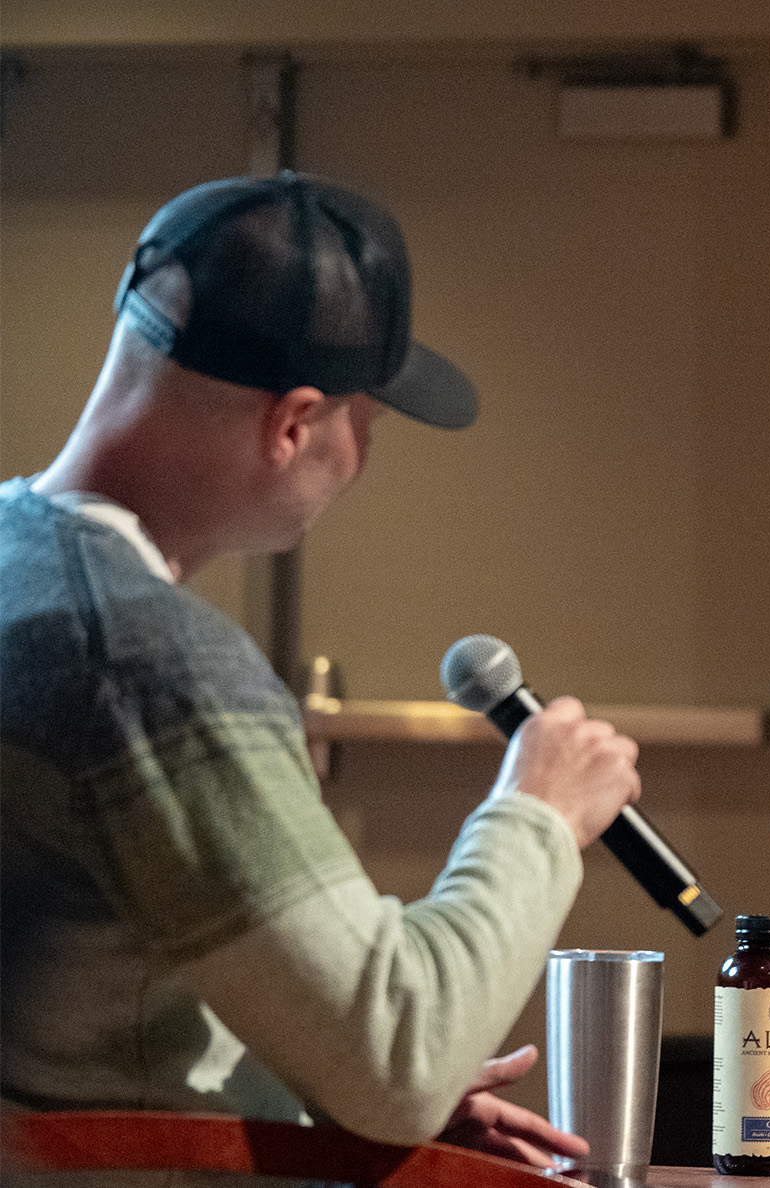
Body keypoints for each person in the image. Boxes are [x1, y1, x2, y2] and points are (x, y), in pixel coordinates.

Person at [0, 172, 640, 1169]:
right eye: (368, 424)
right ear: (294, 423)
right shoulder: (144, 663)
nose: (364, 457)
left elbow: (78, 1004)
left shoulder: (18, 571)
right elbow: (400, 1059)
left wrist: (307, 1090)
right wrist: (541, 813)